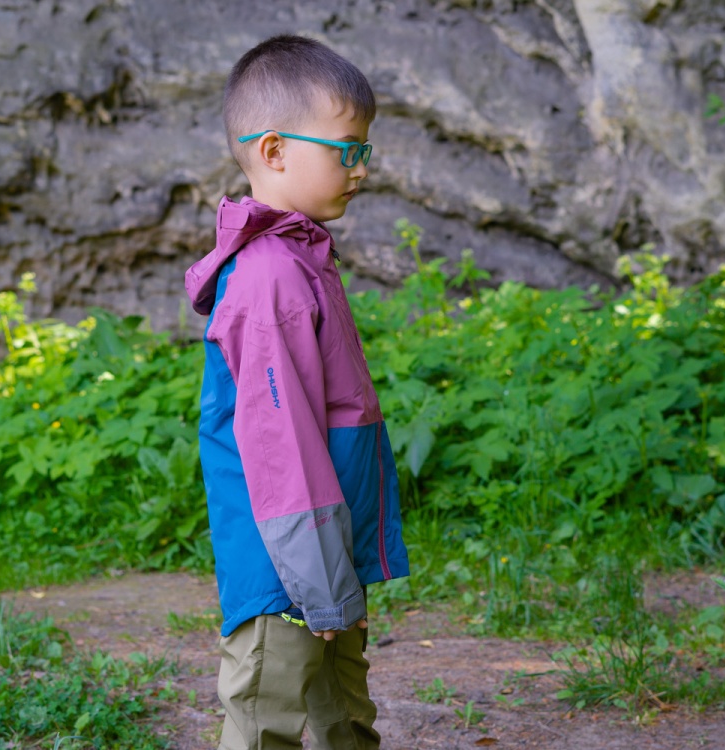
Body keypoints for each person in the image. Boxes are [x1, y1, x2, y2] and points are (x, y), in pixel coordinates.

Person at [184, 34, 410, 750]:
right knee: (265, 721)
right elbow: (280, 447)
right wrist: (320, 582)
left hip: (324, 557)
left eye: (364, 148)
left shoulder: (303, 258)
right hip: (286, 568)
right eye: (346, 149)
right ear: (276, 151)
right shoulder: (270, 277)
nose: (361, 167)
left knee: (344, 714)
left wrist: (337, 578)